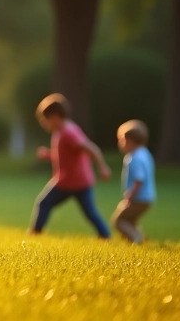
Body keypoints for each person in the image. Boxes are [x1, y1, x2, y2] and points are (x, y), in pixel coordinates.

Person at [29, 94, 112, 239]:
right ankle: (105, 236)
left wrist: (102, 167)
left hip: (70, 182)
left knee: (44, 203)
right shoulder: (63, 130)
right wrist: (48, 155)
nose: (43, 123)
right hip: (79, 181)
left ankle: (35, 234)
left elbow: (91, 149)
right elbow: (65, 154)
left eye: (45, 119)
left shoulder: (68, 132)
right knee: (90, 213)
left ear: (54, 117)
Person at [110, 119, 156, 244]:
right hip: (148, 197)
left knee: (119, 220)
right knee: (130, 220)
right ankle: (137, 240)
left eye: (121, 140)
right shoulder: (145, 153)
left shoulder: (134, 158)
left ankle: (137, 239)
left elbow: (139, 179)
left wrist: (130, 194)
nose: (120, 144)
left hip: (139, 198)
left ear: (129, 141)